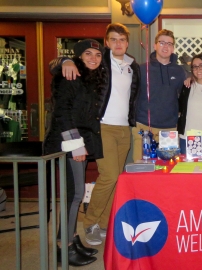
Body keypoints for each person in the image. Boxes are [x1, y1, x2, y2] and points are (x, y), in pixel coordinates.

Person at [50, 23, 141, 246]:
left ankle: (102, 224)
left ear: (127, 43)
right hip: (103, 127)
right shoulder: (100, 62)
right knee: (108, 176)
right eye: (113, 39)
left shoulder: (132, 66)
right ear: (107, 42)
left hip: (124, 129)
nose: (118, 43)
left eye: (122, 40)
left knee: (117, 179)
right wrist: (65, 60)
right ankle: (90, 221)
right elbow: (58, 65)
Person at [44, 39, 107, 266]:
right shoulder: (67, 75)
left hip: (78, 142)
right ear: (78, 56)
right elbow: (62, 112)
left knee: (76, 194)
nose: (93, 58)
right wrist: (75, 145)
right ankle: (64, 248)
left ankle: (70, 238)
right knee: (74, 196)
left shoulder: (87, 79)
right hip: (67, 145)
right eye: (88, 54)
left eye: (97, 55)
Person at [132, 29, 186, 161]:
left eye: (169, 44)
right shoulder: (141, 69)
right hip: (144, 128)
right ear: (155, 45)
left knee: (168, 172)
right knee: (142, 170)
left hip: (169, 129)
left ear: (173, 48)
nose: (165, 46)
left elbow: (183, 97)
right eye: (162, 43)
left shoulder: (180, 72)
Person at [178, 53, 202, 154]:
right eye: (195, 67)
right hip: (188, 137)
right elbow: (180, 108)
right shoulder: (187, 86)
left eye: (201, 65)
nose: (198, 69)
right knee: (188, 169)